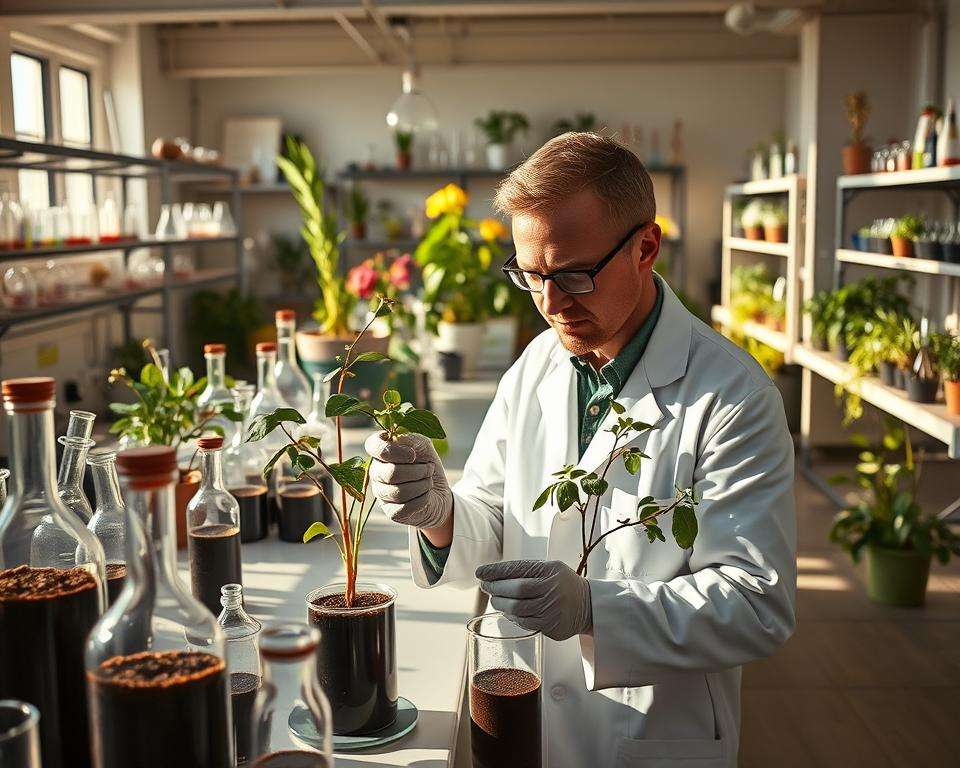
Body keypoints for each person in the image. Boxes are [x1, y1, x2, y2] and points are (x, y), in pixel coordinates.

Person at [365, 132, 796, 767]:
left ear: (646, 247)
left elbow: (757, 601)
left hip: (651, 737)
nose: (550, 304)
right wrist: (441, 516)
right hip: (525, 715)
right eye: (530, 276)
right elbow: (495, 516)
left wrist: (598, 608)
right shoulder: (536, 366)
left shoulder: (733, 397)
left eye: (572, 274)